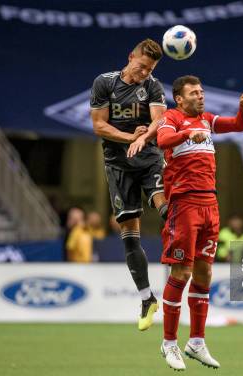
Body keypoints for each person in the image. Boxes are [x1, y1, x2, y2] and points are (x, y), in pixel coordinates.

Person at [155, 75, 243, 370]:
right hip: (184, 204)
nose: (200, 96)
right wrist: (188, 135)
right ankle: (169, 343)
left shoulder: (207, 119)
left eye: (201, 92)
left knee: (204, 272)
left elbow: (239, 126)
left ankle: (196, 341)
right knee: (181, 271)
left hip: (210, 204)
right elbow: (162, 141)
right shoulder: (171, 118)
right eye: (194, 93)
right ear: (179, 98)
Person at [90, 38, 168, 331]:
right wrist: (129, 138)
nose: (145, 73)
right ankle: (147, 298)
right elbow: (99, 125)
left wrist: (144, 137)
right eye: (142, 66)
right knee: (130, 235)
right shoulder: (105, 83)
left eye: (150, 69)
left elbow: (159, 121)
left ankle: (186, 255)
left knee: (164, 207)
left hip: (148, 160)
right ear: (130, 57)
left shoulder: (152, 87)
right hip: (118, 166)